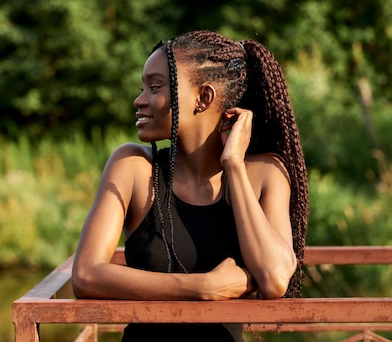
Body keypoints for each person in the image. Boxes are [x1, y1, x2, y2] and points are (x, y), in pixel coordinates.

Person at [71, 30, 309, 341]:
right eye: (142, 87)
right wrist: (204, 287)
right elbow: (87, 275)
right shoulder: (132, 166)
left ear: (203, 97)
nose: (139, 100)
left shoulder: (265, 172)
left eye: (154, 87)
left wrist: (234, 166)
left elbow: (275, 279)